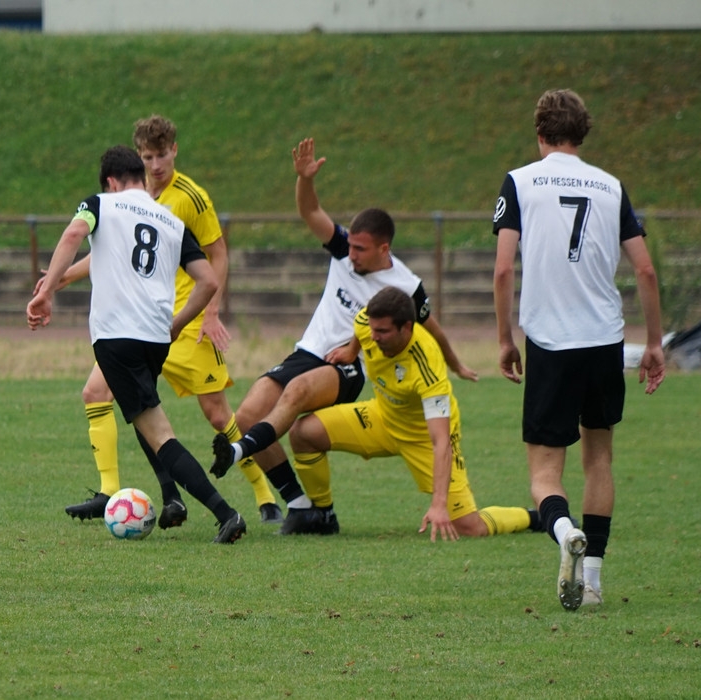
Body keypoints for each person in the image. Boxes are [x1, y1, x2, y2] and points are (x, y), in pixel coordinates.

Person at [210, 137, 477, 535]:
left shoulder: (406, 285)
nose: (351, 255)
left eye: (361, 249)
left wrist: (456, 363)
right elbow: (310, 211)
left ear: (384, 248)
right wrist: (305, 180)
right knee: (247, 416)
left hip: (348, 365)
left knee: (297, 392)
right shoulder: (342, 250)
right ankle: (302, 506)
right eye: (350, 246)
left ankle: (243, 457)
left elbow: (430, 326)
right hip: (307, 352)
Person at [55, 115, 281, 528]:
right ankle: (137, 494)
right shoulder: (139, 204)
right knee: (103, 394)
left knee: (215, 415)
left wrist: (210, 313)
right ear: (138, 160)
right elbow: (110, 250)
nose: (156, 164)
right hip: (152, 326)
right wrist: (63, 277)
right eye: (148, 157)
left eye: (161, 155)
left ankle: (263, 494)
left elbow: (218, 256)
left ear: (174, 151)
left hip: (182, 321)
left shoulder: (188, 198)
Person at [493, 89, 665, 611]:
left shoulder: (520, 181)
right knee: (599, 459)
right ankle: (592, 583)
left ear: (539, 132)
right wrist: (654, 343)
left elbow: (502, 269)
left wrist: (504, 339)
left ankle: (565, 531)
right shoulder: (611, 186)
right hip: (604, 341)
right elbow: (645, 270)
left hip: (550, 342)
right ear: (582, 132)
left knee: (545, 474)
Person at [27, 145, 246, 544]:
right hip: (155, 337)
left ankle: (225, 514)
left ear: (111, 182)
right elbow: (209, 281)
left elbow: (74, 233)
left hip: (117, 337)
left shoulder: (100, 204)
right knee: (142, 410)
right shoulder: (171, 220)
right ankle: (172, 496)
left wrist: (46, 293)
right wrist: (177, 325)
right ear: (141, 179)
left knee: (160, 433)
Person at [288, 286, 541, 540]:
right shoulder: (368, 323)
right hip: (383, 417)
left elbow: (441, 441)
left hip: (424, 438)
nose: (374, 337)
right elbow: (361, 326)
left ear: (406, 327)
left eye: (383, 332)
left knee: (469, 527)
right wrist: (351, 351)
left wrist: (439, 505)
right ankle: (324, 515)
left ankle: (532, 517)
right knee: (304, 434)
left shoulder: (426, 364)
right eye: (373, 330)